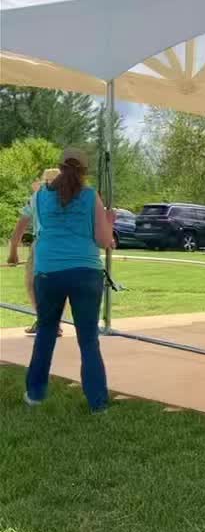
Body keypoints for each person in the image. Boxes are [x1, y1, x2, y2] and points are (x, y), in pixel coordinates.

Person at [24, 147, 114, 412]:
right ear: (84, 172)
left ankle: (35, 395)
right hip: (86, 271)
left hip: (48, 270)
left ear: (60, 167)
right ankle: (98, 404)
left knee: (46, 334)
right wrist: (109, 222)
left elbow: (39, 228)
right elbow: (104, 240)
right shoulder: (90, 196)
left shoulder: (40, 196)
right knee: (88, 340)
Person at [7, 167, 61, 335]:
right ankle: (49, 322)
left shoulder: (37, 197)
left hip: (45, 244)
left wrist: (13, 252)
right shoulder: (69, 198)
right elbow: (20, 226)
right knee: (54, 285)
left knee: (33, 284)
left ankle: (47, 321)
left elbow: (20, 226)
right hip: (61, 245)